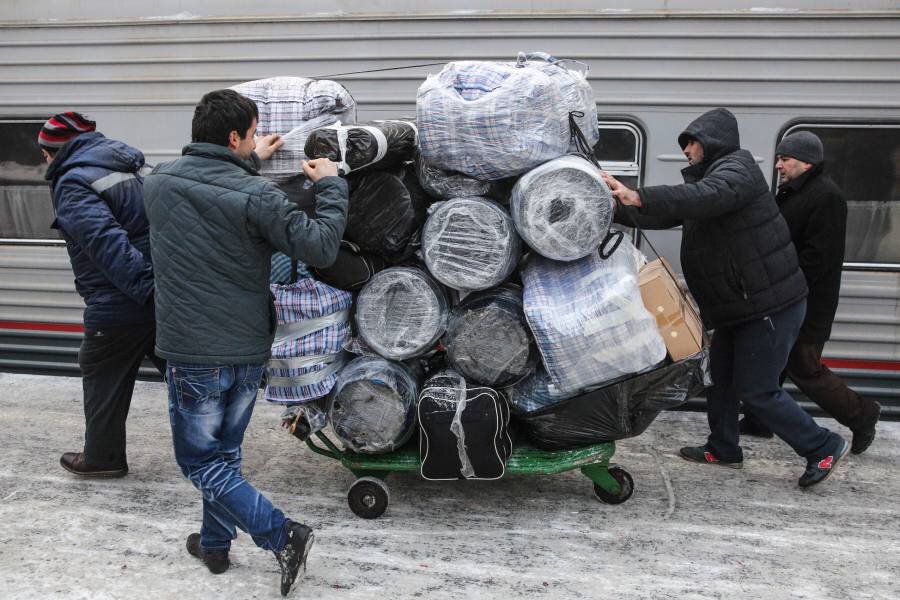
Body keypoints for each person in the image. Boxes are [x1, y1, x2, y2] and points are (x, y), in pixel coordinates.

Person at [143, 89, 347, 596]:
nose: (257, 142)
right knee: (219, 458)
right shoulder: (257, 196)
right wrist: (332, 187)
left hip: (193, 352)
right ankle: (215, 544)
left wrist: (247, 162)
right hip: (245, 349)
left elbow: (211, 197)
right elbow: (320, 246)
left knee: (202, 461)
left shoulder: (158, 183)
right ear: (235, 137)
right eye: (253, 134)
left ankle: (281, 534)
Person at [601, 108, 850, 489]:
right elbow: (672, 212)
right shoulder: (714, 186)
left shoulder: (737, 172)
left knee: (758, 390)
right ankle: (724, 447)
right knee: (720, 379)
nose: (685, 150)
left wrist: (639, 195)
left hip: (769, 305)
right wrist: (614, 207)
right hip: (739, 307)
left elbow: (703, 196)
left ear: (712, 139)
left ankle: (822, 445)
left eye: (691, 142)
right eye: (682, 144)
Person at [739, 131, 881, 453]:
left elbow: (818, 259)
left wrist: (784, 287)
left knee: (804, 366)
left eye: (784, 159)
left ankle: (862, 415)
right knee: (772, 357)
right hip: (787, 295)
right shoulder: (795, 192)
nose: (778, 165)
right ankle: (759, 420)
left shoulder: (826, 197)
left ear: (806, 161)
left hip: (807, 301)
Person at [41, 112, 164, 479]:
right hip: (158, 292)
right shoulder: (132, 165)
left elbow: (106, 243)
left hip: (123, 301)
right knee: (184, 377)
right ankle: (213, 451)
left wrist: (147, 292)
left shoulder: (74, 181)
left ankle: (102, 458)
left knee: (101, 372)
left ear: (53, 152)